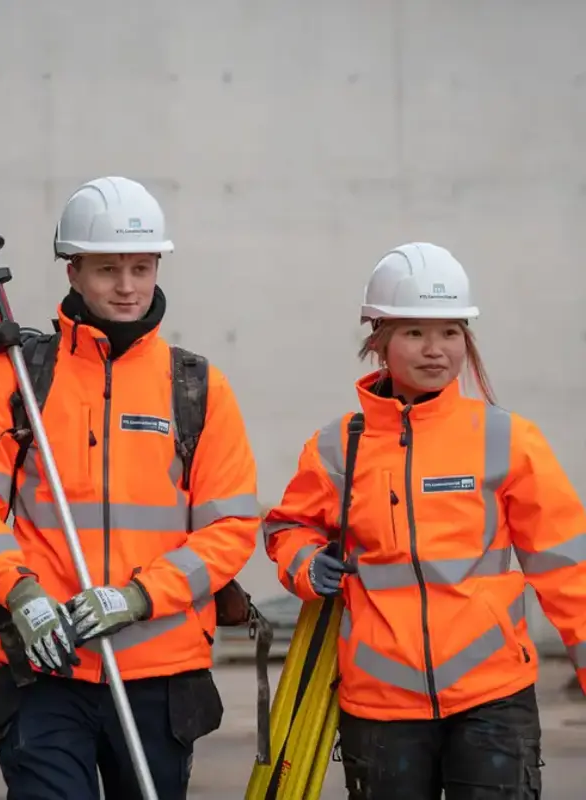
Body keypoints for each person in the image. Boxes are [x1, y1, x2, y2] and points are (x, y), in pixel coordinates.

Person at [0, 176, 261, 799]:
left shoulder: (196, 387)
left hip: (160, 675)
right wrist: (21, 592)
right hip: (45, 667)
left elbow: (230, 529)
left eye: (141, 267)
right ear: (73, 271)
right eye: (108, 268)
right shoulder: (18, 377)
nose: (128, 285)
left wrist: (139, 596)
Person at [263, 241, 586, 799]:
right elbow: (286, 529)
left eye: (451, 332)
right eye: (414, 332)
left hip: (493, 699)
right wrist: (305, 564)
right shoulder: (339, 447)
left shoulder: (506, 438)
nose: (435, 350)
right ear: (379, 342)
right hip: (381, 706)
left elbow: (566, 568)